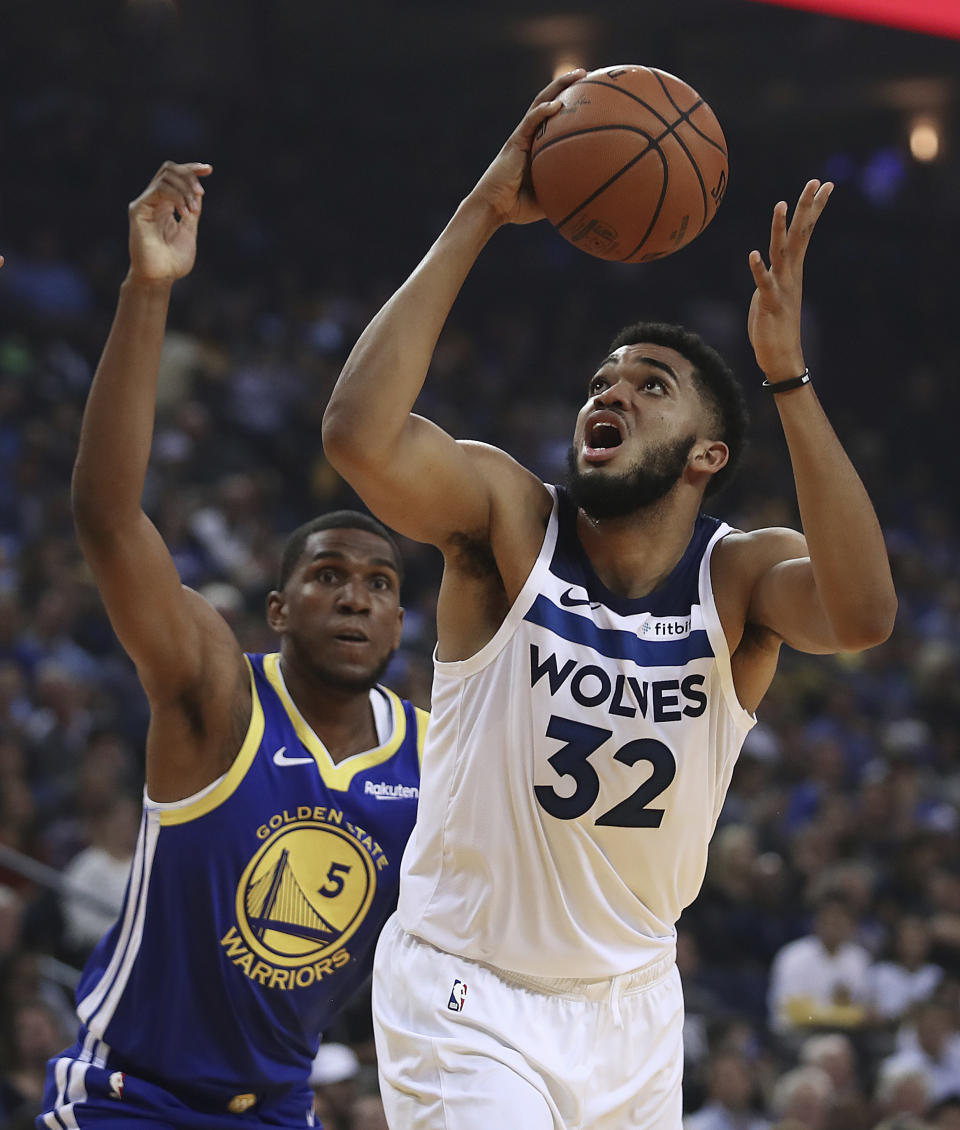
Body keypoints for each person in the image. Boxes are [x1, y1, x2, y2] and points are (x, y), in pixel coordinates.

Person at [322, 69, 897, 1130]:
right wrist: (484, 209)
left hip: (634, 1007)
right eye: (601, 382)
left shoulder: (739, 578)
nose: (611, 392)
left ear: (706, 455)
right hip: (469, 993)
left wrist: (789, 376)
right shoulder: (509, 524)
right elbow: (358, 437)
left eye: (648, 385)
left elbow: (863, 613)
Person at [38, 163, 426, 1129]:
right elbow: (107, 515)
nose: (356, 597)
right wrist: (149, 289)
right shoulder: (219, 693)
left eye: (380, 585)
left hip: (279, 1109)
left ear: (399, 622)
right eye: (328, 575)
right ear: (279, 610)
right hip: (133, 1101)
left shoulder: (435, 755)